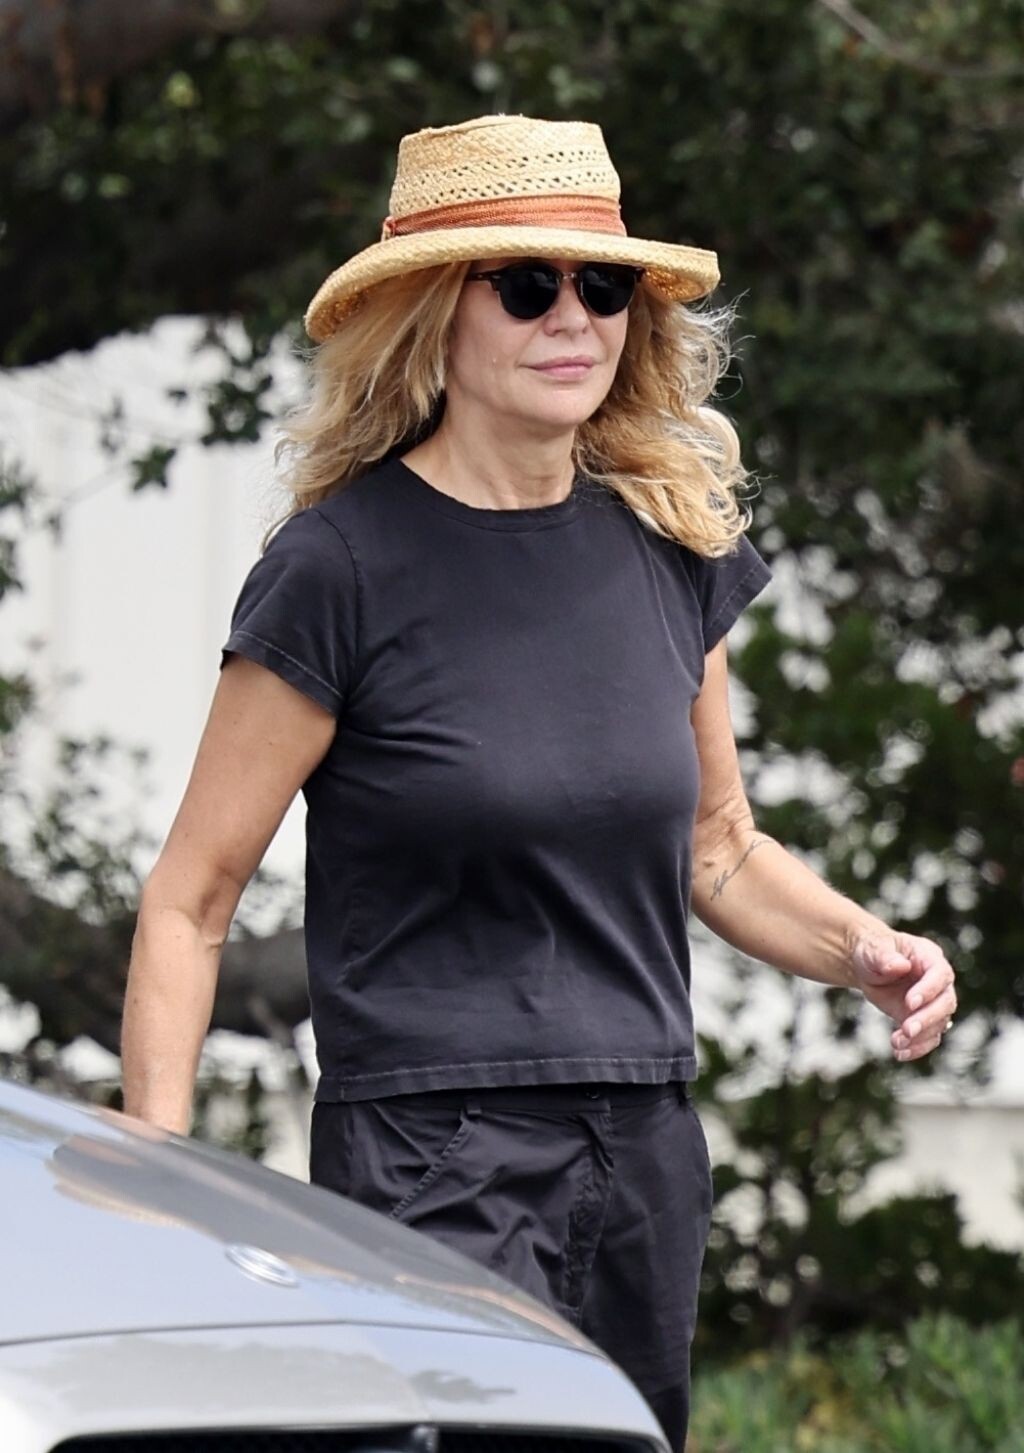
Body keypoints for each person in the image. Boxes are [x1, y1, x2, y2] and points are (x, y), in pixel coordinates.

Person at [121, 114, 958, 1450]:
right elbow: (193, 898)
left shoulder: (671, 548)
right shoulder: (339, 570)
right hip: (430, 1158)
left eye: (604, 284)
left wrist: (865, 951)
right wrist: (160, 1175)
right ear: (430, 316)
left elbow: (720, 848)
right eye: (525, 285)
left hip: (643, 1155)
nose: (574, 317)